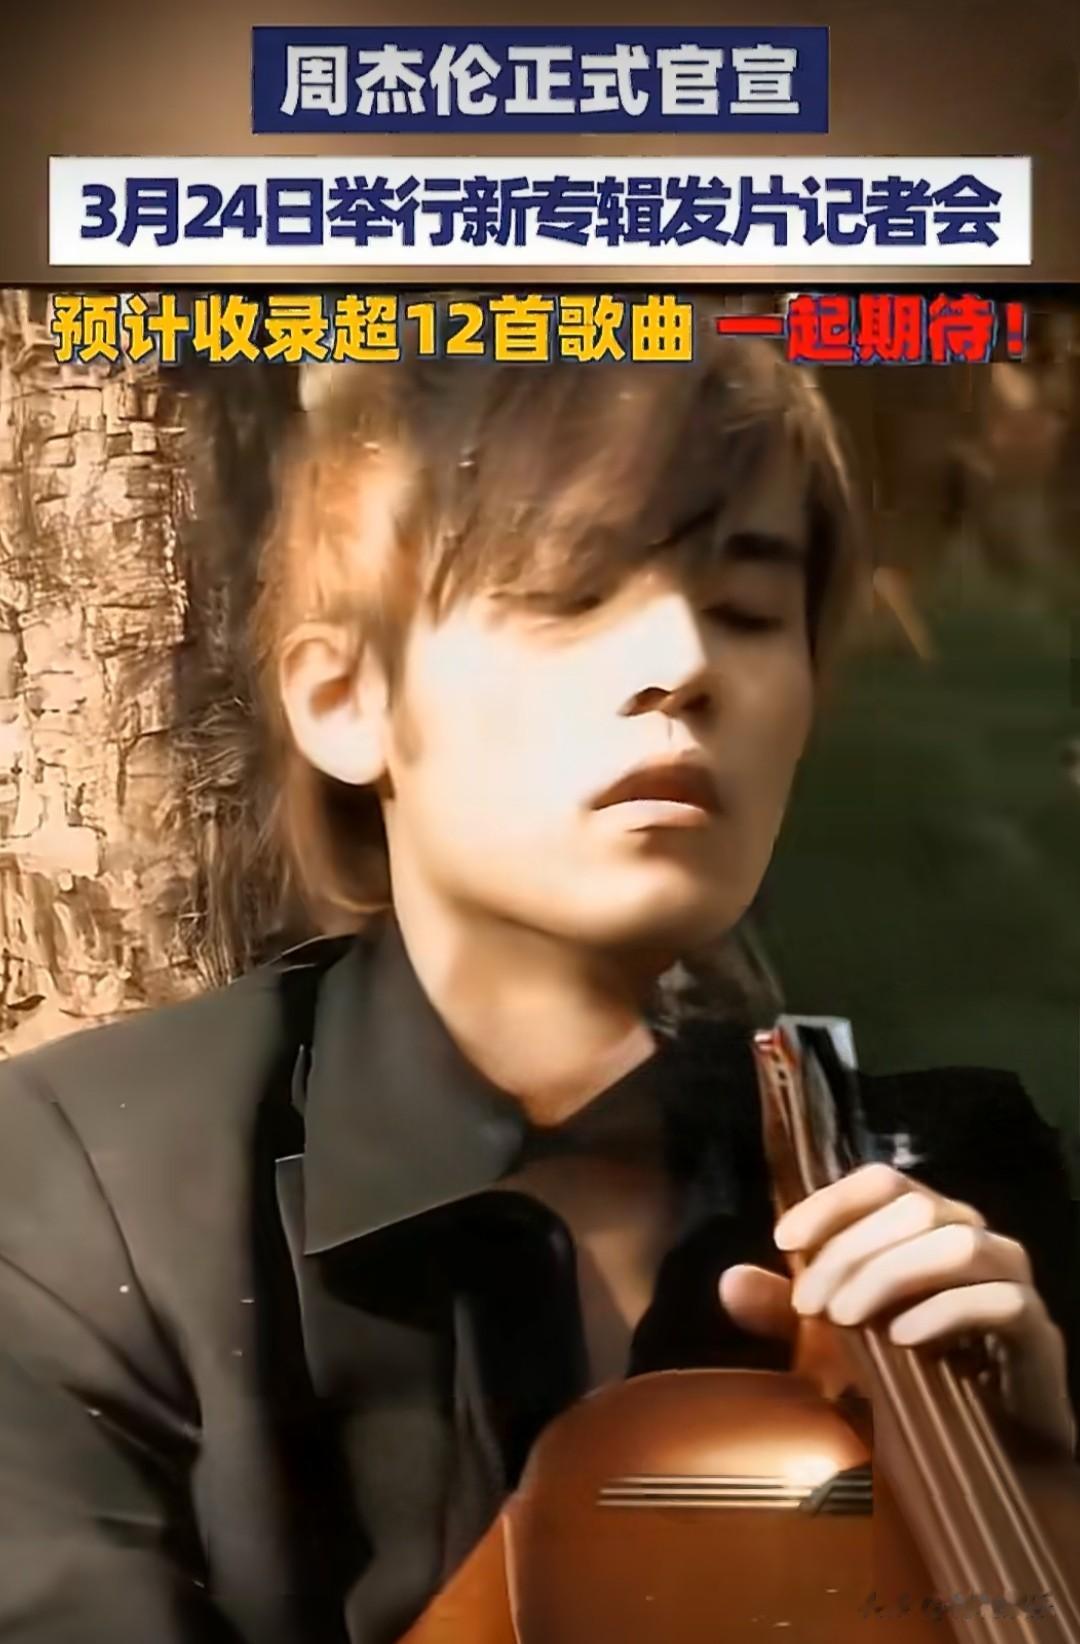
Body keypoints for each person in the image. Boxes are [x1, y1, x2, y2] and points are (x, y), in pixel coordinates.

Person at [0, 322, 1076, 1644]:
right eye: (572, 593)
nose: (684, 664)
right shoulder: (82, 1199)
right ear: (345, 700)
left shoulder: (956, 1188)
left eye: (748, 611)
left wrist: (1045, 1503)